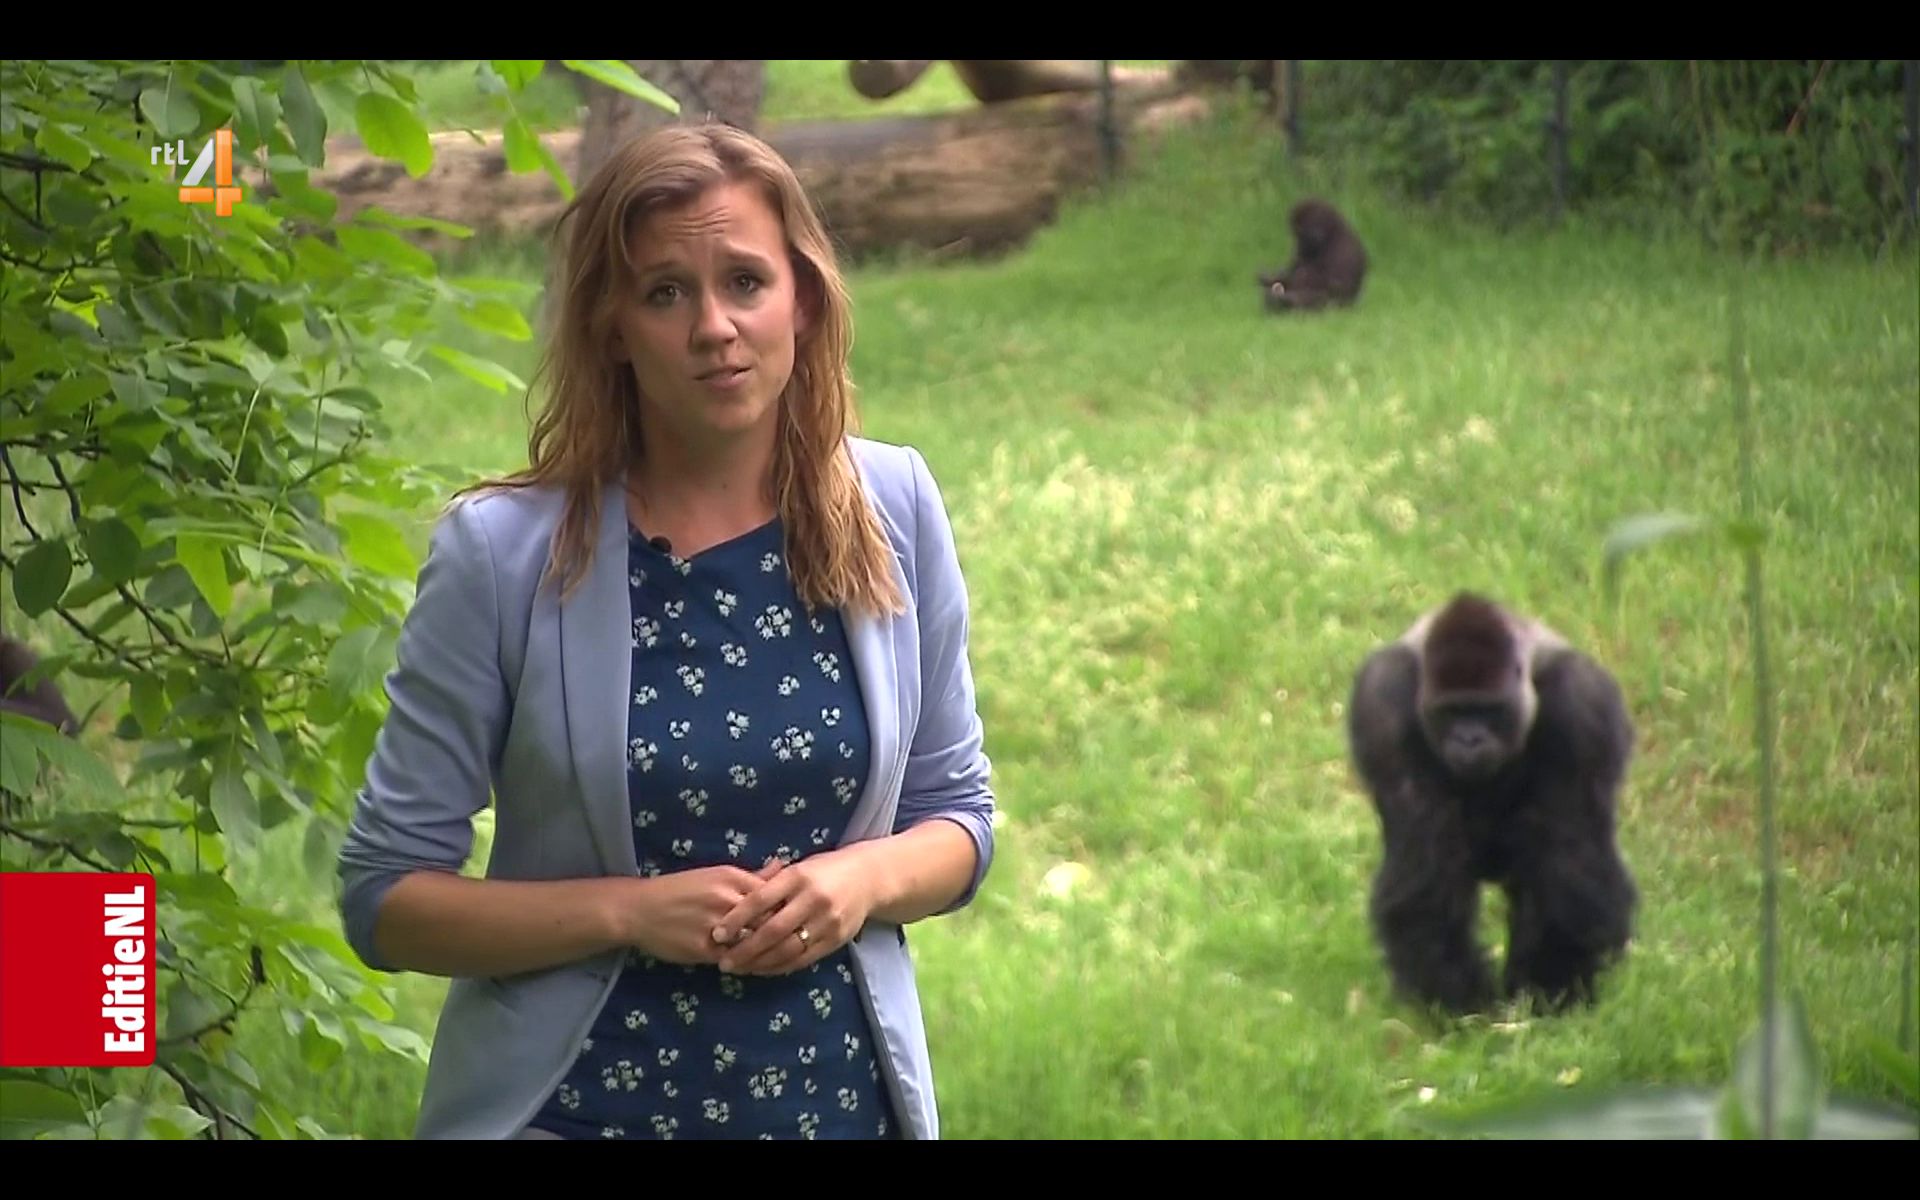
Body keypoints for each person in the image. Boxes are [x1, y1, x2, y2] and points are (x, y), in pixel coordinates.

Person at [335, 120, 996, 1141]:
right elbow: (385, 900)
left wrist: (862, 881)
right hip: (576, 1112)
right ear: (612, 327)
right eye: (665, 293)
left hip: (835, 1109)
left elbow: (958, 818)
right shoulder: (501, 554)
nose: (714, 328)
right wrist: (628, 913)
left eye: (746, 282)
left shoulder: (894, 505)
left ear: (804, 299)